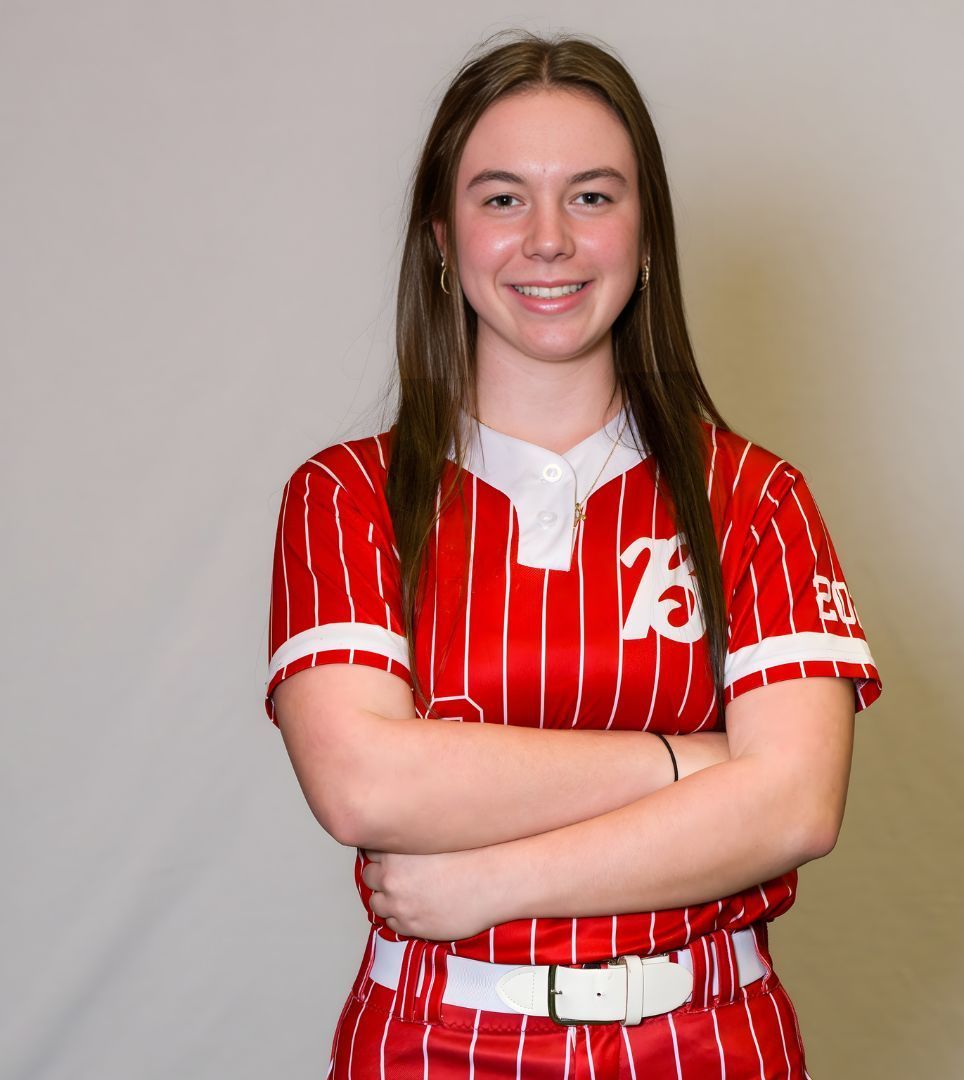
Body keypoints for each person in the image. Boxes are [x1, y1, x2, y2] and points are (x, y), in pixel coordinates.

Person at [263, 28, 883, 1080]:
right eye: (502, 198)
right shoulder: (345, 496)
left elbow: (796, 805)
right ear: (439, 236)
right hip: (435, 1044)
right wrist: (694, 762)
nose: (547, 238)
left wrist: (487, 885)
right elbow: (366, 782)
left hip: (711, 1041)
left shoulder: (757, 497)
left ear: (645, 236)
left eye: (592, 197)